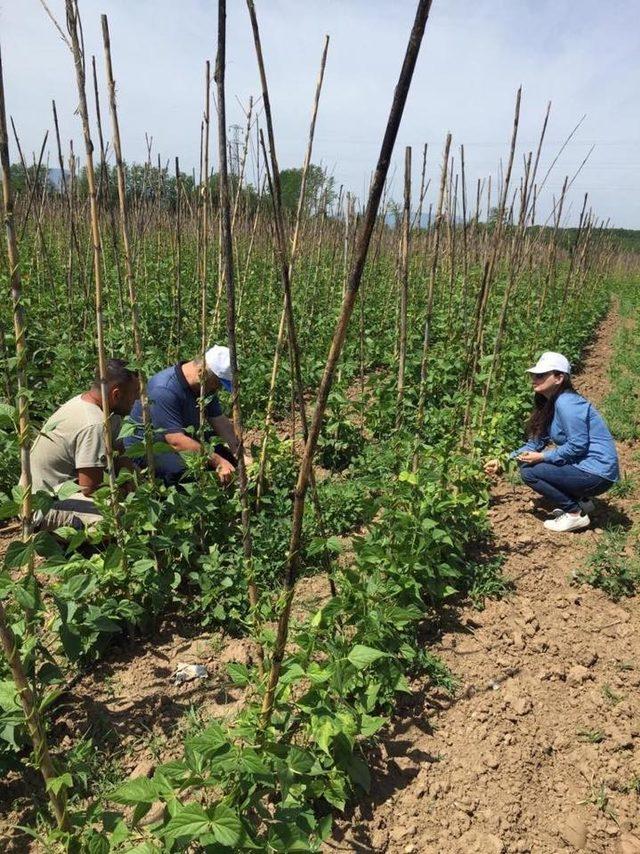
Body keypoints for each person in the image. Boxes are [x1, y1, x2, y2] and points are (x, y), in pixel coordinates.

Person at [485, 351, 619, 533]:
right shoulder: (549, 405)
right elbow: (534, 444)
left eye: (541, 375)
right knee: (534, 465)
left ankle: (574, 513)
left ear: (559, 378)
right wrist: (504, 460)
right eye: (533, 375)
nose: (534, 378)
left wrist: (542, 457)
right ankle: (582, 503)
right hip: (588, 469)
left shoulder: (567, 403)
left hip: (597, 473)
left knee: (531, 471)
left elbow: (577, 446)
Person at [31, 359, 140, 531]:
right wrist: (125, 494)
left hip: (69, 491)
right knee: (120, 518)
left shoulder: (109, 412)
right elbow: (89, 488)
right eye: (135, 393)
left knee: (139, 483)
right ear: (116, 394)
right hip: (48, 504)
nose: (138, 399)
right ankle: (73, 545)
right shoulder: (94, 424)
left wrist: (133, 483)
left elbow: (121, 455)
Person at [126, 345, 239, 486]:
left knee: (230, 461)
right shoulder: (164, 389)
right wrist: (218, 461)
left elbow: (220, 422)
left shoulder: (205, 388)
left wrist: (240, 454)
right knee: (183, 474)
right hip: (150, 447)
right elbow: (175, 441)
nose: (219, 388)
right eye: (218, 383)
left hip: (182, 437)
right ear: (202, 372)